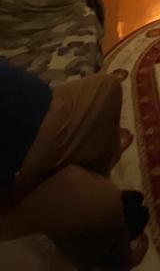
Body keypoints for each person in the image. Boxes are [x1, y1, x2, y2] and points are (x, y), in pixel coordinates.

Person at [0, 58, 147, 270]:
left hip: (43, 108)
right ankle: (106, 240)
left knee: (107, 88)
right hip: (17, 164)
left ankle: (98, 232)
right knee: (100, 203)